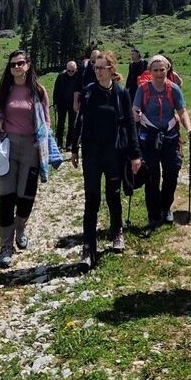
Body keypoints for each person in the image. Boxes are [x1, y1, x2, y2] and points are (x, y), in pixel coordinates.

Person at [0, 49, 50, 267]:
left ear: (28, 65)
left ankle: (21, 229)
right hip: (7, 148)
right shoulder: (4, 90)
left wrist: (43, 139)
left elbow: (47, 121)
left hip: (31, 148)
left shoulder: (38, 91)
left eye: (20, 63)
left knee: (25, 197)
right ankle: (6, 246)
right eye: (12, 65)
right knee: (6, 199)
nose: (16, 68)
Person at [70, 50, 141, 270]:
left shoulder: (121, 93)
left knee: (113, 195)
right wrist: (74, 148)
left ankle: (116, 231)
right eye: (95, 67)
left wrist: (135, 154)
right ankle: (88, 247)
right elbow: (79, 121)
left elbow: (129, 123)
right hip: (92, 154)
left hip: (114, 153)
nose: (97, 72)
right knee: (91, 200)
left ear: (112, 70)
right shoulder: (89, 92)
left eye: (102, 68)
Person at [133, 54, 191, 227]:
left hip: (170, 136)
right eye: (156, 70)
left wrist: (189, 129)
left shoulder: (174, 88)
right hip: (149, 137)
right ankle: (153, 214)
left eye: (162, 70)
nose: (159, 73)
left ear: (167, 69)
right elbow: (135, 109)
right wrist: (136, 116)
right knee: (152, 176)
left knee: (172, 173)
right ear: (150, 71)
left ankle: (166, 207)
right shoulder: (143, 89)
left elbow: (182, 111)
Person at [52, 59, 79, 148]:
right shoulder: (61, 76)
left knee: (72, 124)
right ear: (66, 69)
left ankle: (69, 144)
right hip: (61, 104)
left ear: (75, 69)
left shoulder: (78, 77)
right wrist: (55, 103)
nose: (71, 72)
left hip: (73, 104)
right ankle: (59, 143)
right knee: (60, 123)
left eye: (73, 71)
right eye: (69, 70)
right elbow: (56, 91)